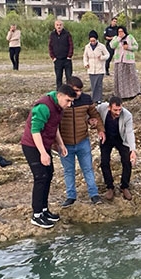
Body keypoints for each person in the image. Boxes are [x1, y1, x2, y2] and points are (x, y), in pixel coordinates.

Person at [20, 84, 76, 228]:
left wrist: (61, 144)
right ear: (60, 96)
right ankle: (36, 215)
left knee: (49, 174)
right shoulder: (43, 107)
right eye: (68, 101)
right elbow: (35, 131)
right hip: (32, 145)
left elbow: (54, 126)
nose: (69, 105)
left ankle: (44, 210)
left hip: (44, 145)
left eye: (71, 102)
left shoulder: (58, 107)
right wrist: (43, 153)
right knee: (40, 177)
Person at [59, 76, 106, 208]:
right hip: (65, 143)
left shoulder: (86, 99)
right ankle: (71, 196)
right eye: (75, 90)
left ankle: (94, 194)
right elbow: (52, 121)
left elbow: (94, 114)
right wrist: (54, 143)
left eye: (80, 90)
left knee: (88, 168)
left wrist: (100, 129)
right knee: (69, 170)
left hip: (82, 140)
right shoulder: (61, 100)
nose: (78, 93)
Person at [96, 96, 137, 201]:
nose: (118, 112)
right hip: (107, 138)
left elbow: (129, 132)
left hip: (121, 138)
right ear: (109, 108)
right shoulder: (102, 108)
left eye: (120, 109)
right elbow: (92, 112)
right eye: (115, 110)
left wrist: (133, 150)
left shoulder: (127, 115)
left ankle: (124, 186)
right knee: (104, 162)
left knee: (127, 161)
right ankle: (109, 187)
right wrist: (93, 124)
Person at [110, 26, 141, 99]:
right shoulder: (116, 38)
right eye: (119, 32)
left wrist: (129, 47)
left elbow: (136, 46)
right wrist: (119, 38)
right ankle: (121, 94)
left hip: (128, 61)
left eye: (122, 31)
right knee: (121, 78)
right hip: (119, 61)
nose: (120, 33)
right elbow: (112, 46)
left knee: (131, 77)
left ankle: (133, 92)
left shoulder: (130, 37)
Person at [83, 30, 110, 103]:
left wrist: (102, 58)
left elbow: (107, 55)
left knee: (98, 84)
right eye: (91, 41)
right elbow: (85, 56)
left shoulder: (102, 46)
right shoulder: (87, 47)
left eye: (94, 41)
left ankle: (99, 99)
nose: (92, 42)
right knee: (93, 85)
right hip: (91, 68)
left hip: (100, 68)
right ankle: (94, 98)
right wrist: (86, 63)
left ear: (96, 39)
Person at [48, 20, 74, 89]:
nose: (59, 26)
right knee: (58, 77)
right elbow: (50, 46)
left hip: (66, 59)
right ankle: (59, 93)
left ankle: (69, 92)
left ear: (62, 26)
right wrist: (53, 57)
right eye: (57, 25)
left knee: (69, 77)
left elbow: (71, 45)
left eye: (60, 25)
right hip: (57, 60)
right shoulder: (52, 35)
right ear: (55, 26)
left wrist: (69, 56)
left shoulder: (67, 34)